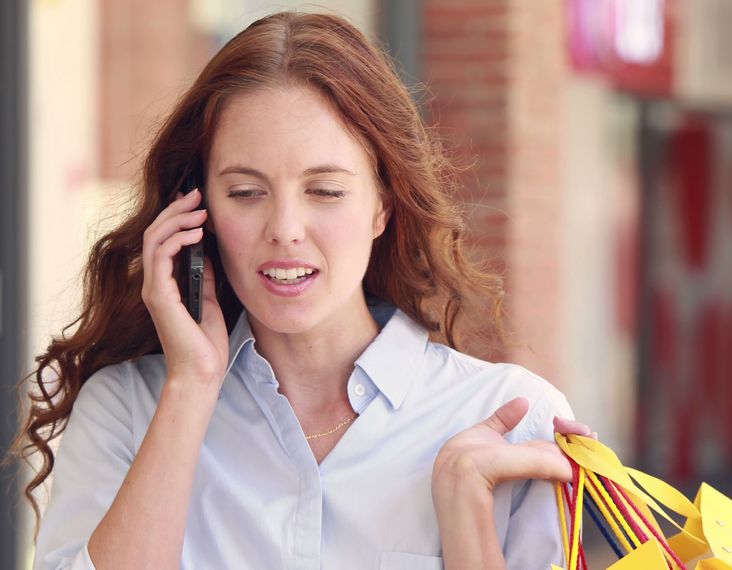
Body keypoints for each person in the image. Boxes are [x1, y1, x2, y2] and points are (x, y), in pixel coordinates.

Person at [12, 10, 592, 570]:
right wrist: (191, 388)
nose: (285, 230)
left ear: (382, 206)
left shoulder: (510, 421)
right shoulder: (129, 411)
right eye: (245, 192)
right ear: (196, 212)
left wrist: (467, 517)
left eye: (325, 191)